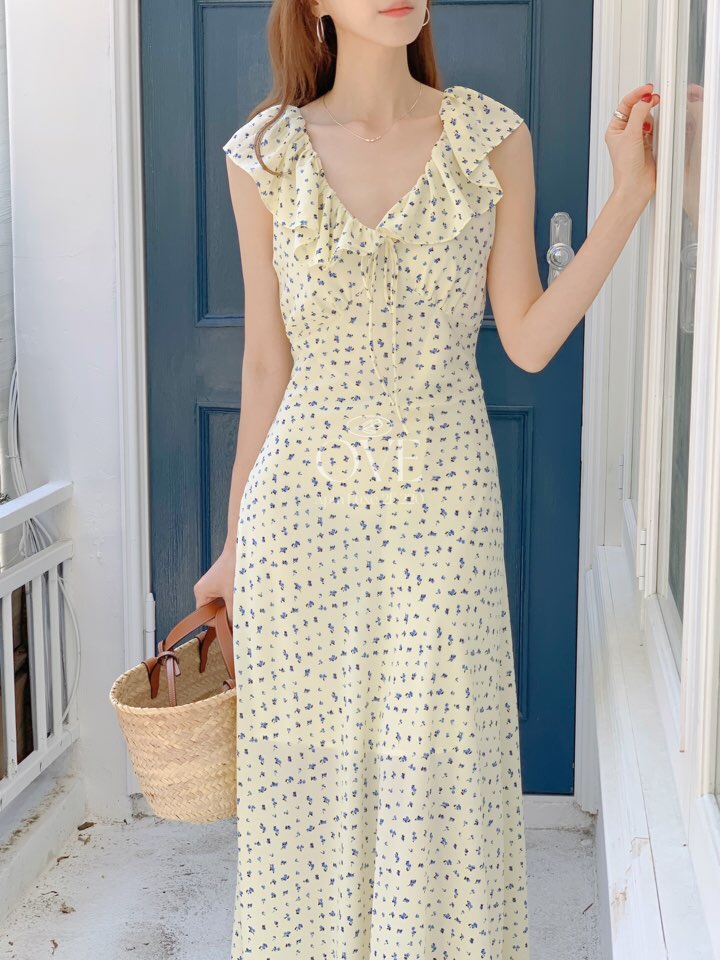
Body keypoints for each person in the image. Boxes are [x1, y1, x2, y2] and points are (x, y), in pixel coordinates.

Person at [194, 1, 659, 955]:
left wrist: (629, 198)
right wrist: (236, 543)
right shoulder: (265, 154)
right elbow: (265, 364)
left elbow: (527, 339)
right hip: (302, 515)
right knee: (306, 799)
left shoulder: (491, 139)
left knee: (441, 783)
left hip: (443, 505)